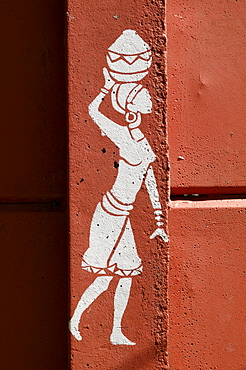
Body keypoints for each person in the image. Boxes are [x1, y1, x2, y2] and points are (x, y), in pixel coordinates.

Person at [69, 68, 168, 345]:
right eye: (142, 93)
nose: (148, 95)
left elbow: (149, 183)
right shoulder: (123, 135)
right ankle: (75, 320)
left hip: (122, 217)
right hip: (110, 215)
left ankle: (115, 331)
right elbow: (92, 111)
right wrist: (106, 87)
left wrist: (159, 222)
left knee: (126, 275)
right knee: (104, 279)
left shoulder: (143, 141)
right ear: (130, 106)